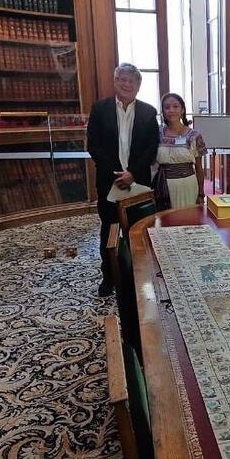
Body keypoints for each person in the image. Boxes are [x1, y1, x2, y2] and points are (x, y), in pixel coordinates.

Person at [86, 63, 159, 297]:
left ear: (138, 86)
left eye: (132, 81)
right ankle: (109, 277)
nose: (127, 84)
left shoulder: (149, 112)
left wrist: (132, 174)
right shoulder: (100, 109)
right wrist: (117, 174)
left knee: (139, 230)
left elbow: (151, 147)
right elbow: (93, 146)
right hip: (109, 182)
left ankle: (139, 275)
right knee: (109, 230)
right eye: (122, 79)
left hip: (138, 182)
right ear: (115, 81)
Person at [154, 92, 207, 210]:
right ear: (163, 111)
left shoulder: (194, 135)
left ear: (182, 110)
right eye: (167, 107)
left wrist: (201, 193)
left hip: (188, 184)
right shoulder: (157, 134)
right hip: (164, 185)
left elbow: (199, 168)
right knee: (166, 219)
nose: (171, 110)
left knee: (188, 217)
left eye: (175, 106)